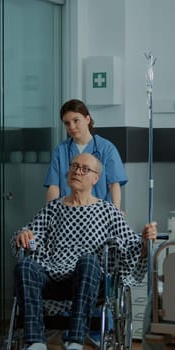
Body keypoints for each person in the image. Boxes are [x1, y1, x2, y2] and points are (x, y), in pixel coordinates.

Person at [11, 153, 157, 350]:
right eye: (74, 166)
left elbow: (132, 246)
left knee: (87, 261)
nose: (77, 171)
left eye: (84, 169)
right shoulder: (52, 209)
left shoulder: (107, 211)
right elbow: (26, 235)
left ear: (96, 178)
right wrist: (23, 234)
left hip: (90, 281)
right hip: (53, 279)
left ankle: (75, 341)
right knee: (24, 265)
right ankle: (36, 341)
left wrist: (146, 241)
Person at [44, 99, 127, 209]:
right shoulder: (60, 151)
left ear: (87, 119)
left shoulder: (106, 149)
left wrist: (116, 211)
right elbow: (54, 186)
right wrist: (50, 212)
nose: (71, 127)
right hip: (67, 212)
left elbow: (113, 184)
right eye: (67, 123)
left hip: (99, 213)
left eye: (76, 120)